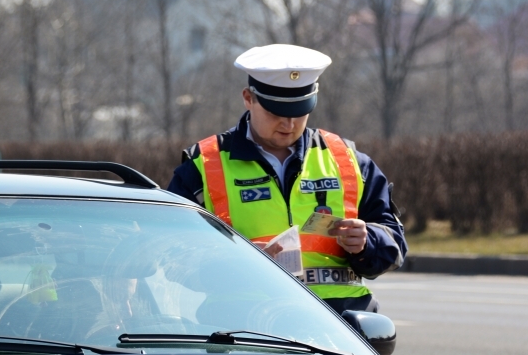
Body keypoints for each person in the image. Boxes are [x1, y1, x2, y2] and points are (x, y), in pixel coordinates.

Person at [167, 44, 407, 315]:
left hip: (339, 324)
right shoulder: (202, 166)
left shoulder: (348, 160)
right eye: (276, 113)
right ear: (248, 98)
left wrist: (367, 241)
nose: (289, 125)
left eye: (299, 112)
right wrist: (235, 263)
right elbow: (171, 255)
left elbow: (395, 245)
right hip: (243, 324)